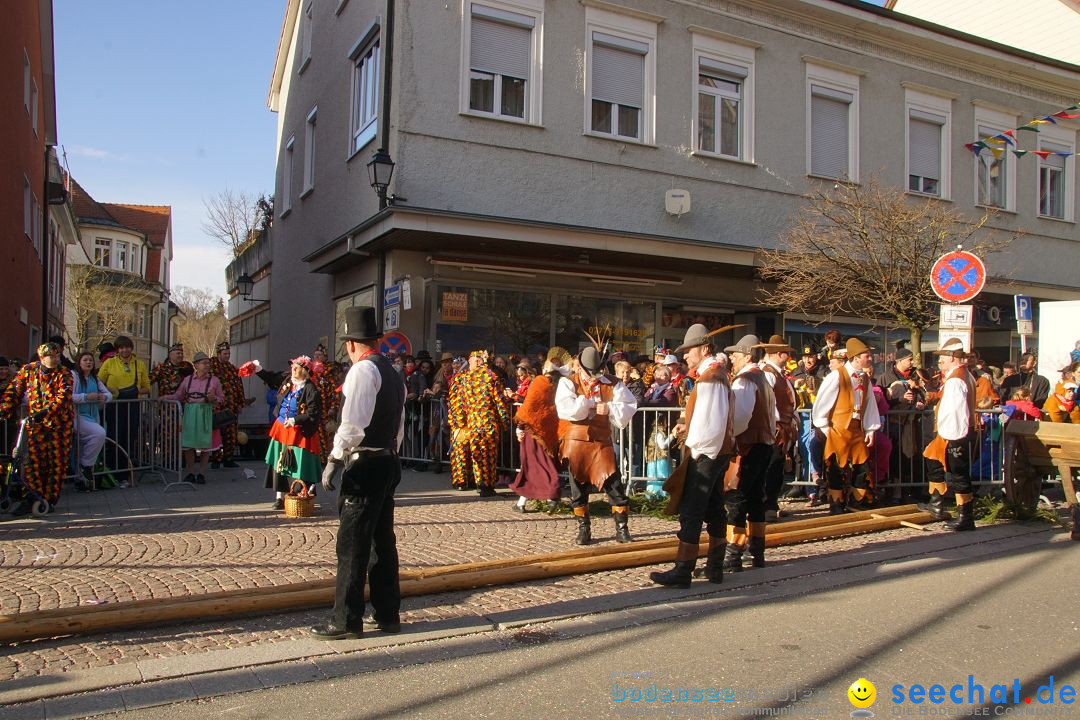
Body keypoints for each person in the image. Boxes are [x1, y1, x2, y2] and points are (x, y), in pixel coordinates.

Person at [311, 306, 404, 640]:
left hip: (365, 462)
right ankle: (388, 613)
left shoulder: (363, 371)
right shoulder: (392, 371)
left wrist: (336, 457)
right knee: (382, 542)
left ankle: (346, 620)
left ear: (351, 344)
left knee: (352, 544)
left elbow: (353, 422)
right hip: (387, 458)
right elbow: (399, 423)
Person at [651, 325, 734, 587]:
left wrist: (696, 450)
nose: (686, 356)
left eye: (689, 350)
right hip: (717, 450)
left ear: (705, 349)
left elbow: (712, 422)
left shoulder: (710, 377)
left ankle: (683, 570)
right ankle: (714, 567)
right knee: (713, 507)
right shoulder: (715, 374)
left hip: (706, 452)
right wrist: (689, 427)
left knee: (691, 509)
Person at [556, 344, 637, 545]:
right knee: (578, 488)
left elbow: (628, 405)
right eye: (588, 371)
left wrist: (608, 408)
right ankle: (584, 529)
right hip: (576, 442)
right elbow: (567, 410)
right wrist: (589, 403)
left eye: (596, 371)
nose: (592, 375)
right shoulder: (568, 382)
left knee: (614, 484)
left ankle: (622, 528)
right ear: (579, 366)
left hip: (601, 441)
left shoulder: (612, 383)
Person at [0, 343, 74, 513]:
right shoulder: (29, 370)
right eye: (52, 357)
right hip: (36, 427)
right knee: (33, 462)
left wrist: (44, 413)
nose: (56, 359)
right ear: (42, 357)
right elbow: (14, 392)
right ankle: (32, 497)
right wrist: (3, 409)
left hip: (60, 426)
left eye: (58, 356)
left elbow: (63, 398)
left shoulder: (64, 373)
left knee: (56, 464)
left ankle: (48, 500)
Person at [811, 338, 881, 515]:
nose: (870, 358)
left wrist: (871, 428)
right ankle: (836, 505)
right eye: (867, 355)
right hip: (839, 429)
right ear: (856, 358)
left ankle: (857, 502)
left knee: (862, 466)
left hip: (857, 429)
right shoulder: (836, 376)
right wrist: (825, 427)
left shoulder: (865, 378)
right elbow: (822, 402)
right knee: (836, 467)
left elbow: (870, 404)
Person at [723, 334, 776, 570]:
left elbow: (741, 418)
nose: (732, 359)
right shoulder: (763, 378)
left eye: (735, 355)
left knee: (736, 498)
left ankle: (733, 553)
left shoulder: (744, 380)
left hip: (747, 445)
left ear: (746, 355)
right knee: (756, 497)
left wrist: (729, 438)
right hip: (763, 443)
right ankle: (757, 551)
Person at [918, 338, 977, 531]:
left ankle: (965, 517)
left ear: (952, 357)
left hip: (953, 433)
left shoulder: (956, 379)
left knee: (959, 474)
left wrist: (951, 437)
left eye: (942, 357)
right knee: (932, 460)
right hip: (950, 433)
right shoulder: (960, 375)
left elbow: (955, 410)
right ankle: (937, 504)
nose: (939, 361)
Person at [510, 346, 572, 512]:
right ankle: (521, 502)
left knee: (536, 466)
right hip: (550, 433)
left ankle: (552, 495)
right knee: (537, 466)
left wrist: (520, 426)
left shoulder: (540, 381)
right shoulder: (564, 384)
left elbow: (530, 406)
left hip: (535, 432)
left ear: (546, 367)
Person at [448, 350, 510, 496]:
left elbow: (460, 402)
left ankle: (475, 483)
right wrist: (505, 421)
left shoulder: (466, 378)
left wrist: (460, 420)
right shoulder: (491, 377)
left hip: (472, 422)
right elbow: (499, 401)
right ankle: (485, 486)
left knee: (477, 453)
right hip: (487, 422)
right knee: (486, 455)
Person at [265, 356, 324, 509]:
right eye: (293, 367)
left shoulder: (311, 390)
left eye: (296, 368)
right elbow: (271, 378)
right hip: (281, 428)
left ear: (305, 372)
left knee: (300, 463)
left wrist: (295, 420)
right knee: (279, 463)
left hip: (300, 432)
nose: (293, 370)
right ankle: (279, 497)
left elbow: (313, 413)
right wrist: (257, 370)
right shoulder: (288, 381)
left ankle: (302, 491)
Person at [755, 335, 798, 521]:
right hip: (773, 429)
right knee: (769, 467)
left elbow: (790, 402)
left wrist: (793, 420)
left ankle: (771, 503)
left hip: (782, 428)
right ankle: (766, 506)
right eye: (785, 353)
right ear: (779, 353)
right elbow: (767, 403)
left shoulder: (780, 375)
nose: (788, 357)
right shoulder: (768, 374)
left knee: (777, 467)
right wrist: (775, 425)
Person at [97, 335, 150, 486]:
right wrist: (111, 391)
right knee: (114, 439)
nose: (124, 350)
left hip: (132, 406)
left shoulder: (138, 364)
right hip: (114, 407)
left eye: (127, 347)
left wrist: (137, 390)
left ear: (131, 348)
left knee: (129, 439)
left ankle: (125, 475)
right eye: (121, 347)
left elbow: (147, 386)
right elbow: (98, 382)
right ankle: (113, 473)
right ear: (117, 349)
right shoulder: (109, 363)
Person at [168, 352, 224, 484]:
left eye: (208, 363)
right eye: (204, 363)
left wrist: (214, 398)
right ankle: (191, 472)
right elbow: (178, 395)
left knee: (205, 445)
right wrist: (165, 398)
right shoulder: (187, 380)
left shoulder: (215, 380)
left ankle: (202, 474)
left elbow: (222, 398)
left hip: (206, 413)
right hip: (190, 413)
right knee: (188, 445)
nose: (207, 365)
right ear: (196, 365)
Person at [71, 351, 112, 492]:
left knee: (83, 447)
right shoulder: (74, 376)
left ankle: (81, 481)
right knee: (99, 433)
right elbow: (68, 396)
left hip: (92, 416)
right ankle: (86, 465)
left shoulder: (95, 378)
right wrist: (86, 397)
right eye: (85, 360)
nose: (89, 362)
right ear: (79, 362)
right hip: (76, 416)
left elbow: (108, 394)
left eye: (91, 360)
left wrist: (104, 397)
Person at [791, 343, 826, 504]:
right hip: (804, 416)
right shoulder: (796, 372)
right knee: (805, 449)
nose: (807, 360)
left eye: (810, 356)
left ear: (816, 357)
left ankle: (818, 486)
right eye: (805, 357)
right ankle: (811, 488)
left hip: (820, 416)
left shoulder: (824, 371)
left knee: (816, 449)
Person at [209, 341, 244, 469]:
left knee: (231, 434)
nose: (227, 356)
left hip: (231, 407)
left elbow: (239, 386)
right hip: (218, 407)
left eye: (228, 354)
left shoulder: (232, 369)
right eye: (225, 354)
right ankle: (216, 459)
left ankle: (228, 459)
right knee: (216, 433)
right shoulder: (211, 367)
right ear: (218, 354)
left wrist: (240, 402)